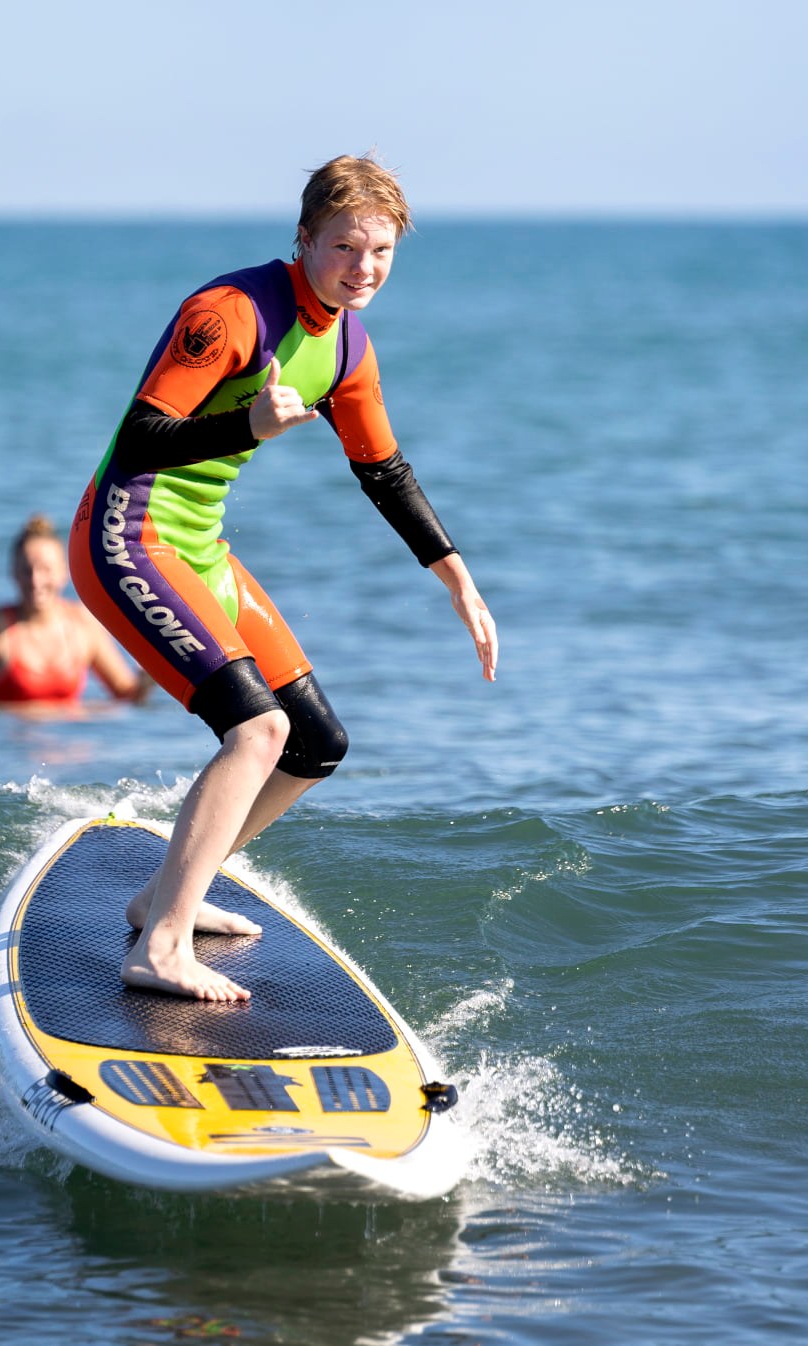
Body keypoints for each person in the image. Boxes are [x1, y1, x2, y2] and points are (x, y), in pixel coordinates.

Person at [69, 154, 498, 1002]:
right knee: (255, 732)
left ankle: (165, 896)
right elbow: (141, 438)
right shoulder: (228, 314)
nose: (363, 268)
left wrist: (457, 578)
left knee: (313, 744)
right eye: (344, 248)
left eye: (380, 252)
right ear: (304, 240)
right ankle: (159, 947)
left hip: (201, 547)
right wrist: (246, 424)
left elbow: (384, 469)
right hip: (128, 534)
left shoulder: (349, 345)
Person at [0, 515, 151, 708]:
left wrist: (151, 675)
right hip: (6, 760)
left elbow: (127, 695)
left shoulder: (83, 623)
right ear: (13, 573)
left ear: (65, 572)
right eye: (26, 570)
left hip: (69, 757)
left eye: (46, 570)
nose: (36, 580)